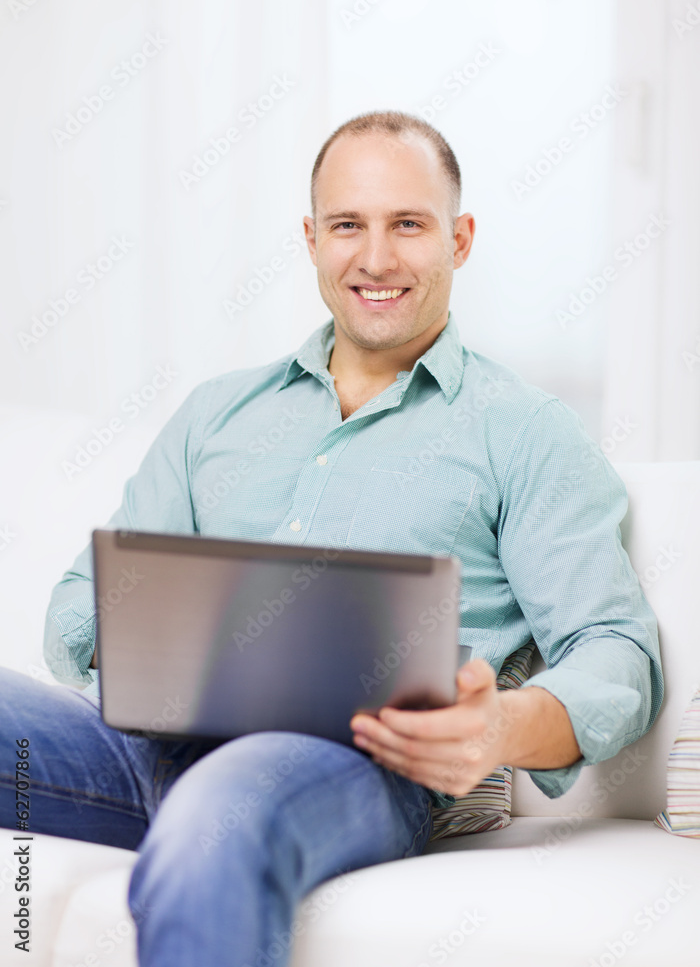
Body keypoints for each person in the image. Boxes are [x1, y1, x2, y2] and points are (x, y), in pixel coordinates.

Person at [0, 110, 662, 967]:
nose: (377, 259)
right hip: (137, 745)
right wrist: (143, 638)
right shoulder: (217, 414)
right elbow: (78, 607)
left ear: (459, 240)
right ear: (311, 240)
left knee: (214, 819)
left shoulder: (526, 431)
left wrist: (501, 726)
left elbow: (616, 651)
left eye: (409, 225)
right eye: (349, 225)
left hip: (354, 771)